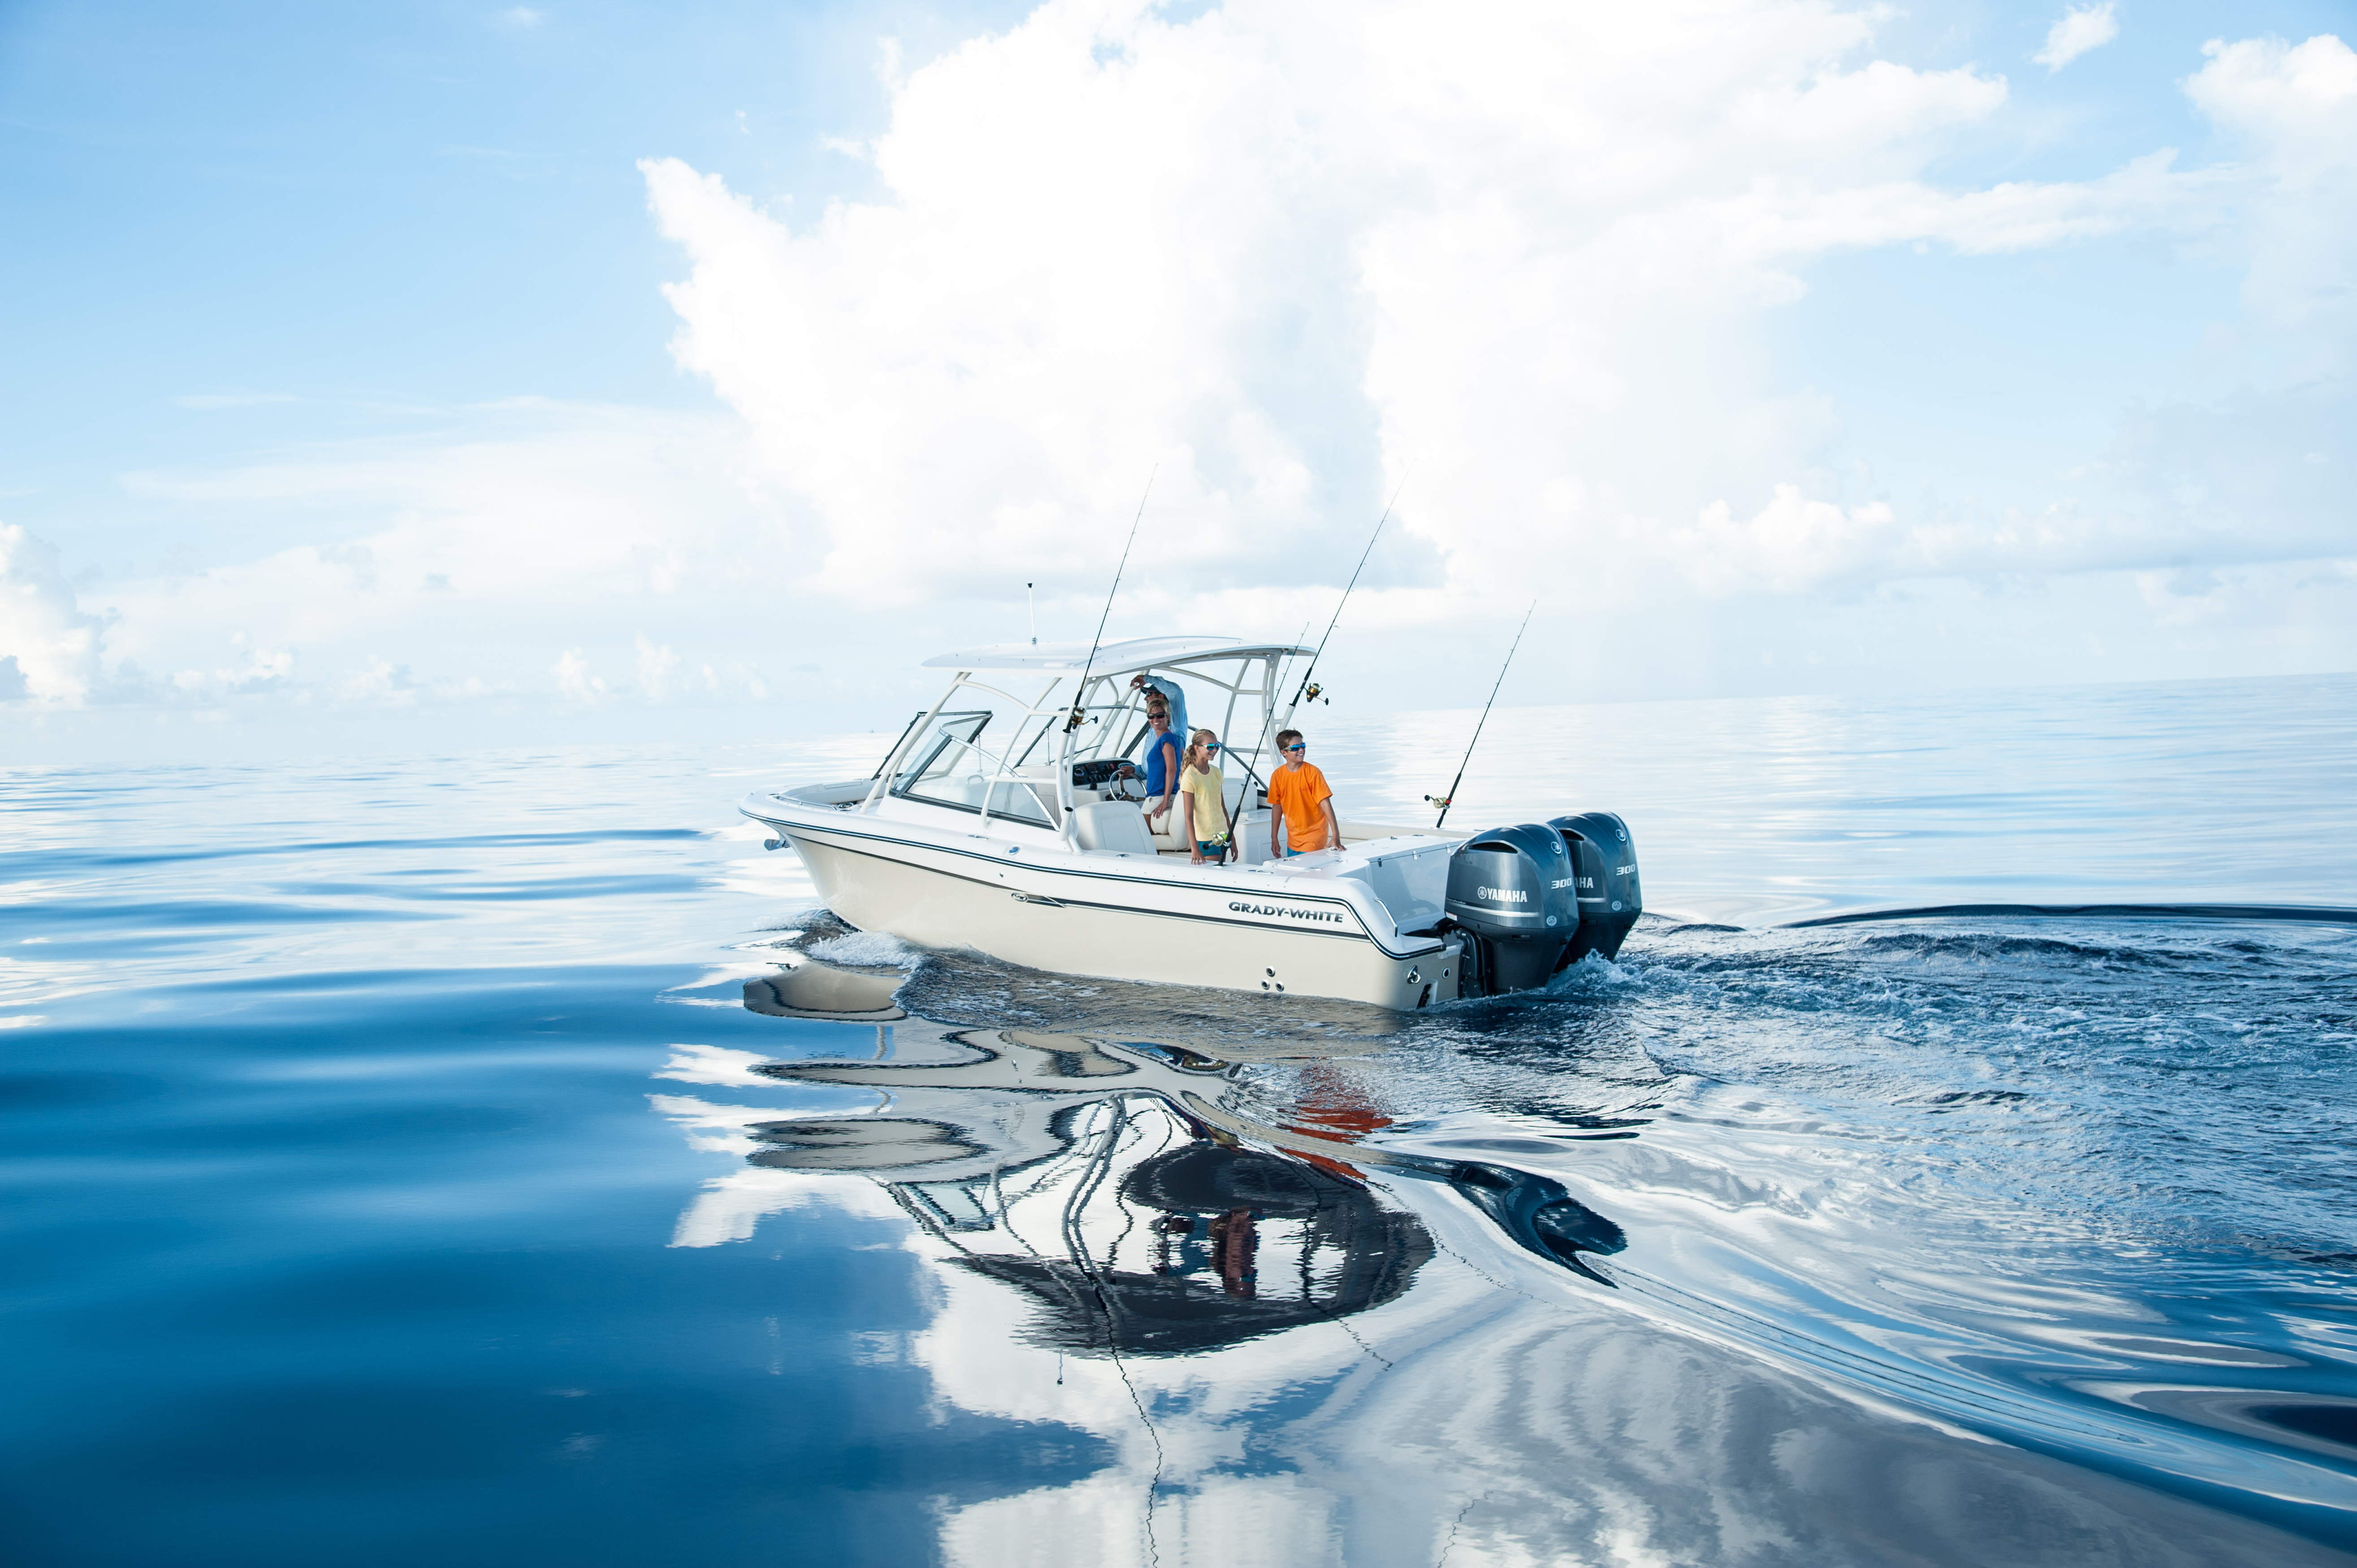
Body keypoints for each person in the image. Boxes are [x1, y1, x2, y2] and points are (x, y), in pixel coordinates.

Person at [1265, 728, 1341, 857]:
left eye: (1303, 746)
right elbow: (1277, 807)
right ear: (1284, 753)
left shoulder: (1313, 773)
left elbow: (1326, 804)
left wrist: (1336, 835)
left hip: (1314, 840)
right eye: (1295, 748)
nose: (1301, 750)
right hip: (1293, 841)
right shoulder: (1277, 776)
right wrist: (1274, 838)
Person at [1178, 729, 1230, 865]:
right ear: (1197, 748)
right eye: (1210, 747)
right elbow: (1188, 816)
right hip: (1207, 839)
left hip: (1222, 835)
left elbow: (1223, 808)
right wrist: (1195, 848)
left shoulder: (1216, 772)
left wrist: (1232, 838)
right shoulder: (1190, 776)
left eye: (1217, 746)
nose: (1214, 750)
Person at [1139, 698, 1183, 836]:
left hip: (1158, 797)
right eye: (1151, 716)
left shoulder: (1166, 739)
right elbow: (1186, 762)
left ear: (1168, 717)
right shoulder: (1170, 738)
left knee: (1144, 837)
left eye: (1160, 715)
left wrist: (1165, 801)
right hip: (1165, 796)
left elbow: (1173, 769)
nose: (1155, 719)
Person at [1129, 672, 1188, 750]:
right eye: (1151, 716)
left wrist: (1147, 679)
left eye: (1149, 694)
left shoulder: (1176, 721)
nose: (1145, 698)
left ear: (1161, 697)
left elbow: (1176, 692)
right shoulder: (1155, 724)